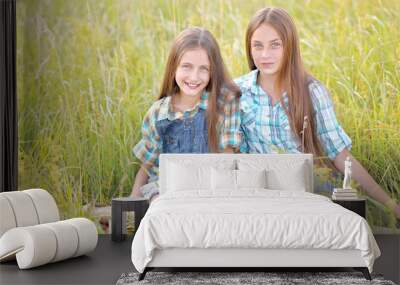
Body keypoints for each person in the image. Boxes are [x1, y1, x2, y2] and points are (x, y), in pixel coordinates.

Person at [235, 7, 400, 219]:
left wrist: (390, 205)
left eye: (275, 45)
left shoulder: (312, 92)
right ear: (249, 48)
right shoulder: (237, 93)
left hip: (309, 192)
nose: (265, 54)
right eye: (257, 46)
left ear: (290, 47)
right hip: (262, 195)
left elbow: (338, 153)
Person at [130, 27, 241, 202]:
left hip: (209, 187)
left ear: (213, 71)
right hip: (164, 189)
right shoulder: (158, 114)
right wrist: (131, 203)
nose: (194, 76)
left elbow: (227, 158)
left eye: (203, 69)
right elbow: (147, 166)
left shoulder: (224, 105)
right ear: (174, 66)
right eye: (187, 67)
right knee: (161, 204)